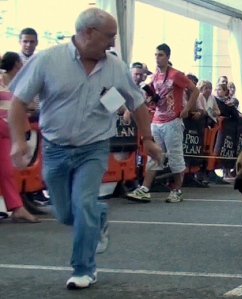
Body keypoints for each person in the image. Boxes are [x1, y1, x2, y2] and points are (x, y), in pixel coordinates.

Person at [8, 8, 162, 289]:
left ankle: (83, 269)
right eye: (110, 37)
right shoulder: (48, 60)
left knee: (83, 204)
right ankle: (99, 215)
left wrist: (148, 139)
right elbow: (18, 101)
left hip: (93, 148)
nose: (113, 43)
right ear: (88, 33)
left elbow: (137, 102)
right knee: (66, 213)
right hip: (55, 148)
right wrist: (18, 140)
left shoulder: (115, 66)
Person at [126, 43, 199, 203]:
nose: (157, 58)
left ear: (167, 57)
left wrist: (187, 108)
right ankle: (145, 188)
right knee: (154, 155)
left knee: (174, 157)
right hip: (157, 120)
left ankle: (177, 190)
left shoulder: (175, 75)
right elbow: (151, 98)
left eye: (160, 55)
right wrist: (149, 100)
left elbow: (195, 90)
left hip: (173, 121)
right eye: (155, 55)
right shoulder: (154, 77)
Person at [0, 52, 39, 223]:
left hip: (7, 132)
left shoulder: (18, 84)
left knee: (7, 171)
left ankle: (17, 207)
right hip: (4, 129)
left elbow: (28, 104)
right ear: (17, 64)